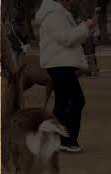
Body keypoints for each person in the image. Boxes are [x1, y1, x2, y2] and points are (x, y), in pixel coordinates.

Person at [35, 0, 96, 152]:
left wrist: (87, 28)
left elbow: (71, 38)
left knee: (62, 103)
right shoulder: (54, 15)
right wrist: (85, 26)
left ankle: (52, 137)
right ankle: (67, 140)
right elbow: (68, 39)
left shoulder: (57, 14)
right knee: (77, 100)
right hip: (59, 65)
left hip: (60, 64)